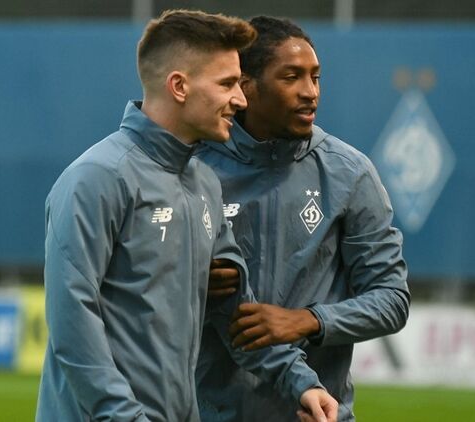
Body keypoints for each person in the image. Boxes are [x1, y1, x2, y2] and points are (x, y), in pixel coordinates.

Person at [36, 10, 338, 422]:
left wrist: (301, 382)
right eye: (227, 84)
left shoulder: (203, 184)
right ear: (179, 86)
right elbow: (72, 322)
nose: (241, 99)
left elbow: (236, 314)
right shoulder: (97, 178)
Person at [196, 16, 410, 421]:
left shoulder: (349, 173)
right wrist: (188, 280)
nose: (310, 92)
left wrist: (309, 320)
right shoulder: (194, 169)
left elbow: (392, 299)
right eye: (291, 77)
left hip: (316, 413)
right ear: (246, 86)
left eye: (316, 77)